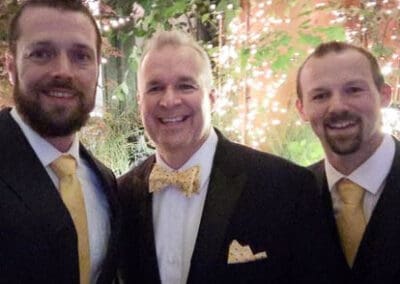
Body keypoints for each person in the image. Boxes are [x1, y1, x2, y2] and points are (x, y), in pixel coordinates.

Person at [118, 29, 344, 284]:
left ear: (211, 98)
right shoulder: (121, 195)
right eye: (155, 88)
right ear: (140, 103)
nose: (169, 100)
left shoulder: (286, 186)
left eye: (186, 85)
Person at [0, 1, 119, 283]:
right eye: (41, 53)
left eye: (81, 56)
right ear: (10, 66)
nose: (63, 71)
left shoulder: (105, 181)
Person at [296, 41, 398, 283]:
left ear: (385, 96)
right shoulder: (293, 194)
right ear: (302, 109)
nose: (338, 106)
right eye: (320, 96)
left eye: (354, 90)